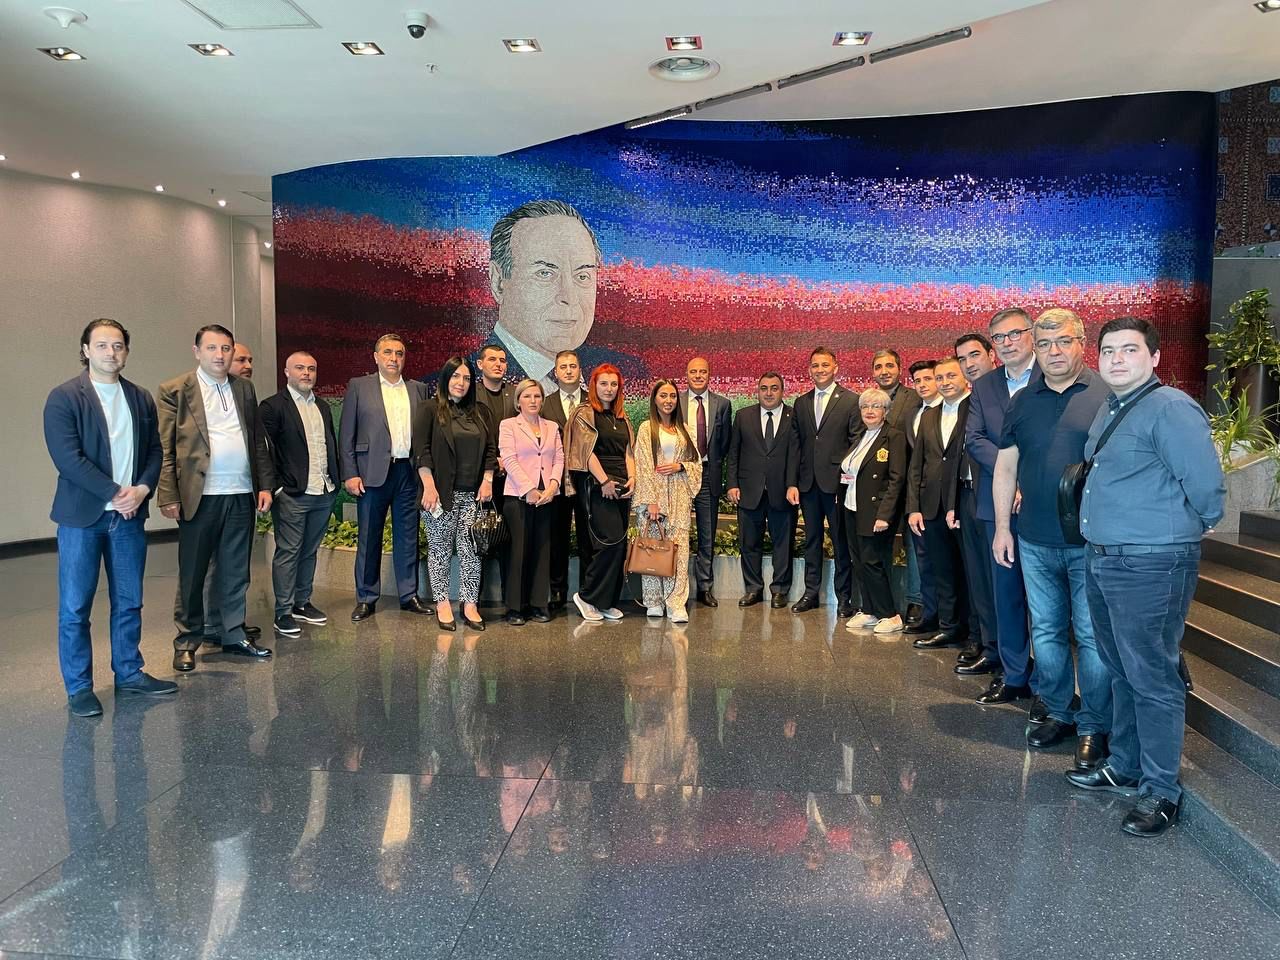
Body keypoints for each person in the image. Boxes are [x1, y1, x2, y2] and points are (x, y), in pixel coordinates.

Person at [1066, 317, 1224, 837]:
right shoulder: (1112, 407)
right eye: (1109, 350)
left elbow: (1205, 486)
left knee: (1153, 677)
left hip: (1151, 563)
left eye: (1129, 349)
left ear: (1155, 358)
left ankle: (1161, 790)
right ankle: (1127, 764)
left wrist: (1184, 529)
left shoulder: (1171, 407)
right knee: (1120, 668)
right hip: (1103, 558)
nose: (1116, 359)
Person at [992, 310, 1111, 770]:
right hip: (1034, 539)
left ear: (1082, 342)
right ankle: (1060, 711)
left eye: (1063, 341)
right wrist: (1003, 527)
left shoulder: (1106, 394)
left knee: (1091, 636)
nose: (1054, 352)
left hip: (1090, 543)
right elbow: (1005, 467)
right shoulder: (1023, 400)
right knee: (1045, 631)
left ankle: (1094, 725)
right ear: (1034, 348)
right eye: (1044, 344)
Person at [44, 319, 176, 716]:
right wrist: (116, 493)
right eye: (101, 345)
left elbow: (155, 450)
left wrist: (143, 489)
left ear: (126, 352)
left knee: (129, 601)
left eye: (118, 345)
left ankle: (129, 674)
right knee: (75, 608)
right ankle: (79, 687)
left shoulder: (139, 397)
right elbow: (68, 459)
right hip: (82, 519)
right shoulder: (64, 397)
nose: (110, 352)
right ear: (86, 350)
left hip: (129, 518)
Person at [157, 324, 274, 672]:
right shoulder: (175, 390)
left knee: (236, 569)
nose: (219, 355)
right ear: (197, 351)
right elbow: (165, 448)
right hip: (199, 496)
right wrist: (168, 494)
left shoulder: (244, 388)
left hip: (240, 492)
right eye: (212, 348)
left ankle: (233, 633)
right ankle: (187, 641)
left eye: (226, 349)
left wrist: (264, 485)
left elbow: (256, 440)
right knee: (193, 573)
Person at [486, 200, 647, 389]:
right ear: (498, 283)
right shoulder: (468, 380)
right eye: (545, 273)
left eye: (582, 276)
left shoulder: (628, 372)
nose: (569, 297)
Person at [967, 309, 1037, 704]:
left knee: (1045, 599)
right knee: (1006, 594)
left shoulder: (1052, 376)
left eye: (1015, 334)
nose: (1007, 342)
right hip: (997, 506)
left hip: (1043, 503)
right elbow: (974, 438)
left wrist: (1025, 479)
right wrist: (1008, 473)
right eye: (999, 337)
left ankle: (1048, 682)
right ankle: (1013, 675)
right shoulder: (985, 385)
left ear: (1031, 334)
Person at [339, 334, 432, 622]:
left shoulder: (418, 389)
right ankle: (366, 597)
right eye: (388, 352)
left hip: (408, 472)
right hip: (371, 473)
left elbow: (425, 434)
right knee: (369, 537)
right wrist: (350, 473)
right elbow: (346, 433)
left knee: (408, 536)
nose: (394, 358)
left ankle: (408, 595)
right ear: (376, 357)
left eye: (399, 353)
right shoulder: (359, 386)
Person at [412, 357, 498, 631]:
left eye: (467, 378)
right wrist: (428, 486)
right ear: (445, 378)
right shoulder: (429, 409)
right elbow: (421, 451)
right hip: (440, 495)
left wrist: (487, 480)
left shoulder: (481, 412)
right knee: (439, 551)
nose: (461, 383)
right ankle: (442, 603)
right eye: (456, 376)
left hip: (473, 496)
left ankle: (469, 604)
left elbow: (491, 451)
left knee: (472, 551)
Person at [259, 351, 338, 637]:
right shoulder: (272, 407)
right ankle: (283, 611)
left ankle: (302, 603)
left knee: (309, 551)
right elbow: (264, 452)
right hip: (292, 494)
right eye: (300, 368)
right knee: (288, 552)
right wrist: (275, 487)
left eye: (311, 369)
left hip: (323, 490)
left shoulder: (322, 406)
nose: (306, 373)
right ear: (286, 372)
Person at [907, 357, 973, 652]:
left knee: (970, 573)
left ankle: (975, 634)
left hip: (964, 504)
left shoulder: (975, 409)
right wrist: (914, 507)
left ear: (965, 377)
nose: (945, 382)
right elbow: (917, 465)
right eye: (940, 377)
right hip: (931, 506)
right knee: (942, 571)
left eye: (950, 376)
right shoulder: (929, 416)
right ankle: (948, 628)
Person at [564, 364, 635, 622]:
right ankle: (586, 596)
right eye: (603, 383)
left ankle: (604, 602)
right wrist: (604, 481)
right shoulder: (584, 413)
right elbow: (586, 452)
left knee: (619, 544)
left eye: (613, 384)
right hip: (597, 485)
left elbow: (628, 452)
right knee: (609, 542)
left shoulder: (622, 416)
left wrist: (633, 478)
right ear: (594, 385)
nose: (609, 389)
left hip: (622, 485)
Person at [792, 346, 860, 616]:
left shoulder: (851, 400)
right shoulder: (801, 403)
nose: (819, 370)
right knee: (811, 540)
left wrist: (846, 478)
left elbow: (856, 443)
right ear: (809, 370)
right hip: (808, 484)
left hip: (837, 485)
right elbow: (796, 446)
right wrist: (793, 482)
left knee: (841, 542)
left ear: (835, 368)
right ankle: (811, 593)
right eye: (815, 365)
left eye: (824, 365)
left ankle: (844, 598)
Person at [949, 332, 1000, 676]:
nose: (968, 364)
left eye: (974, 355)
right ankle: (987, 643)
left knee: (999, 581)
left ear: (991, 355)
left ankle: (1004, 653)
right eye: (962, 359)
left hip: (999, 496)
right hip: (968, 495)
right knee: (978, 577)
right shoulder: (970, 400)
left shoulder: (1006, 394)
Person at [726, 373, 800, 608]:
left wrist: (793, 484)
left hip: (783, 492)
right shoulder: (743, 416)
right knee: (749, 543)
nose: (769, 393)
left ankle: (780, 590)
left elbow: (796, 454)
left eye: (774, 388)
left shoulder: (793, 417)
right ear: (757, 391)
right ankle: (753, 589)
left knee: (783, 544)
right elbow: (734, 453)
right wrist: (732, 484)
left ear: (782, 391)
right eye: (764, 388)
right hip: (749, 491)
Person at [840, 388, 908, 634]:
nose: (870, 411)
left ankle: (890, 614)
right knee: (859, 562)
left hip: (875, 512)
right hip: (852, 508)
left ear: (886, 411)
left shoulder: (894, 437)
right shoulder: (861, 436)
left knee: (872, 563)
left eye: (876, 406)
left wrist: (884, 515)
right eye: (865, 406)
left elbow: (896, 479)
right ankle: (869, 610)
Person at [635, 379, 703, 622]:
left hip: (679, 497)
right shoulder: (646, 429)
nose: (668, 400)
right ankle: (654, 601)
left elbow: (696, 464)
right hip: (653, 498)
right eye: (663, 395)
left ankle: (676, 603)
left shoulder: (685, 430)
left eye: (672, 396)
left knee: (679, 552)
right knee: (652, 550)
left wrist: (680, 466)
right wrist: (650, 501)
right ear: (654, 399)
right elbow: (642, 465)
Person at [498, 379, 564, 625]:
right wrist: (528, 489)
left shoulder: (552, 426)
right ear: (518, 401)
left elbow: (559, 458)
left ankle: (538, 604)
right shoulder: (508, 425)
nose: (533, 401)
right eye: (527, 396)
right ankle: (516, 607)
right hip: (518, 496)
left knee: (542, 550)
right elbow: (509, 458)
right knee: (518, 551)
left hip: (547, 496)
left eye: (537, 396)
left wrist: (553, 486)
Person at [541, 349, 593, 611]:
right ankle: (557, 590)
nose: (569, 371)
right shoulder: (546, 403)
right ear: (556, 372)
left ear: (580, 370)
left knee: (588, 538)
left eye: (573, 366)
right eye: (563, 367)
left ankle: (587, 592)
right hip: (556, 481)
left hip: (588, 481)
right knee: (556, 537)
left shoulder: (593, 401)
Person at [678, 357, 732, 607]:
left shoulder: (723, 404)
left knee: (706, 533)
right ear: (686, 374)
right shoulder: (675, 401)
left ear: (710, 374)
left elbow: (725, 443)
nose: (698, 376)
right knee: (677, 530)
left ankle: (704, 587)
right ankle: (676, 587)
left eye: (702, 372)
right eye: (693, 372)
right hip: (680, 473)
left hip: (709, 473)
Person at [905, 359, 941, 634]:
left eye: (928, 379)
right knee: (924, 562)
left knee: (946, 564)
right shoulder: (914, 414)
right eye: (918, 381)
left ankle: (950, 620)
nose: (922, 385)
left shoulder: (953, 410)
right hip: (920, 500)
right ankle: (929, 615)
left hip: (945, 501)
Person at [872, 349, 922, 433]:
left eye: (890, 366)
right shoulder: (866, 401)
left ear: (900, 370)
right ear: (873, 373)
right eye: (878, 367)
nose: (884, 372)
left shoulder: (917, 398)